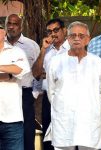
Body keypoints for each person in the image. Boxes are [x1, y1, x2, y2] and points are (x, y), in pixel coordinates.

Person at [47, 21, 101, 150]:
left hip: (89, 120)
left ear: (88, 39)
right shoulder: (56, 62)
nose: (76, 39)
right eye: (73, 35)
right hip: (63, 120)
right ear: (68, 39)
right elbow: (51, 92)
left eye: (81, 36)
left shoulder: (96, 62)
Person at [32, 18, 70, 150]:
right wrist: (43, 49)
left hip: (68, 99)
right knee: (48, 138)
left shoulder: (73, 48)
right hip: (49, 100)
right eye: (49, 31)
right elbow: (36, 74)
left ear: (64, 31)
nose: (53, 34)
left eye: (56, 30)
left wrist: (48, 75)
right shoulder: (46, 51)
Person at [5, 14, 40, 150]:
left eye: (15, 24)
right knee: (7, 133)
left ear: (21, 26)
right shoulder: (1, 45)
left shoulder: (31, 46)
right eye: (9, 23)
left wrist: (34, 94)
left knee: (27, 135)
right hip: (5, 96)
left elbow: (38, 71)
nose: (11, 27)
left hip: (25, 95)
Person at [0, 23, 30, 150]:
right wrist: (8, 75)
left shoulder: (16, 51)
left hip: (11, 117)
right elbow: (13, 72)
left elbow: (21, 69)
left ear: (4, 33)